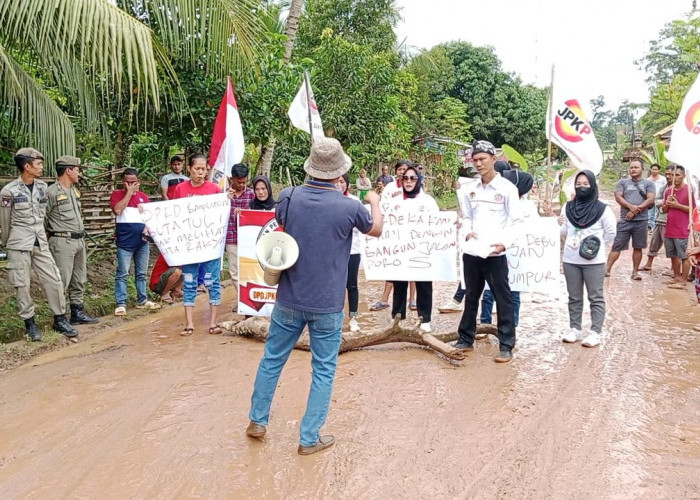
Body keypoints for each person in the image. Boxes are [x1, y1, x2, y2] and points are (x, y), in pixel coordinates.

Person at [246, 137, 383, 455]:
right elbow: (375, 229)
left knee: (272, 359)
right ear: (339, 174)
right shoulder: (350, 207)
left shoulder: (288, 197)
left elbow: (281, 223)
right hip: (328, 304)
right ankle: (309, 438)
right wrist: (374, 201)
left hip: (289, 298)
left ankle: (257, 421)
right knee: (323, 368)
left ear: (310, 167)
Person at [454, 140, 523, 363]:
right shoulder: (469, 190)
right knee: (471, 295)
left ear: (494, 159)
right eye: (475, 160)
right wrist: (467, 232)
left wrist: (505, 243)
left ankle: (506, 345)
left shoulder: (507, 189)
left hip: (495, 253)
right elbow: (466, 217)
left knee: (503, 298)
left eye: (483, 159)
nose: (479, 163)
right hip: (473, 252)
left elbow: (516, 221)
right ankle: (466, 337)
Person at [0, 148, 78, 341]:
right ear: (27, 166)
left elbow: (43, 215)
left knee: (54, 279)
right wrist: (9, 243)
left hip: (40, 242)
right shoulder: (8, 191)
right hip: (18, 243)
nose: (42, 167)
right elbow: (5, 221)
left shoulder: (43, 188)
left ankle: (60, 319)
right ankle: (30, 325)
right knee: (22, 284)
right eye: (38, 164)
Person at [171, 154, 229, 335]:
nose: (201, 173)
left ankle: (213, 323)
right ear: (189, 169)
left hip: (210, 245)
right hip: (189, 246)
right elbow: (171, 213)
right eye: (197, 169)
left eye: (204, 169)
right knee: (189, 282)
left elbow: (221, 212)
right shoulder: (180, 189)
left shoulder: (214, 189)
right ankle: (189, 324)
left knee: (213, 282)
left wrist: (228, 199)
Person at [559, 171, 617, 347]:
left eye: (585, 184)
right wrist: (559, 221)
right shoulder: (568, 207)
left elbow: (611, 232)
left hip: (594, 262)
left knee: (595, 296)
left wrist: (596, 248)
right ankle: (575, 329)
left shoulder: (603, 209)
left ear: (592, 185)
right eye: (579, 184)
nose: (581, 187)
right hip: (570, 259)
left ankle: (595, 332)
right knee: (574, 297)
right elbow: (564, 232)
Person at [478, 169, 535, 328]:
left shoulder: (528, 206)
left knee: (514, 293)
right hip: (494, 251)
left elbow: (535, 229)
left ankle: (511, 326)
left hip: (517, 255)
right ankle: (484, 324)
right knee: (489, 290)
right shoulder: (496, 198)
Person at [45, 155, 99, 325]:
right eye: (77, 170)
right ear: (68, 171)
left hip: (78, 240)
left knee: (78, 279)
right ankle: (59, 318)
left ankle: (77, 312)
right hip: (62, 241)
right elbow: (43, 219)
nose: (79, 173)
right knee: (62, 280)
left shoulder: (74, 191)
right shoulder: (51, 192)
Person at [389, 164, 439, 332]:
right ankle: (398, 318)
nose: (408, 181)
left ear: (419, 180)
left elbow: (437, 224)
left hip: (421, 250)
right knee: (399, 284)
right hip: (401, 250)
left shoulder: (428, 201)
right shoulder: (394, 201)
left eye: (412, 178)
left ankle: (425, 320)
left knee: (424, 284)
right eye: (405, 178)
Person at [110, 168, 161, 316]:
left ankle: (142, 300)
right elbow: (118, 210)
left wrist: (147, 228)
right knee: (122, 273)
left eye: (134, 182)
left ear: (138, 182)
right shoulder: (116, 195)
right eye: (128, 182)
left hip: (142, 242)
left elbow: (149, 218)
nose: (131, 185)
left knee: (141, 273)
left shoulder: (144, 197)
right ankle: (121, 303)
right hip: (124, 243)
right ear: (122, 182)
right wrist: (128, 194)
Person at [370, 159, 415, 311]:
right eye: (400, 169)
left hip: (412, 233)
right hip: (393, 233)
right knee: (392, 265)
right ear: (396, 171)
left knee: (414, 265)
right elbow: (383, 207)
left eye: (405, 169)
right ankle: (384, 299)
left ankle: (412, 299)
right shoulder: (389, 187)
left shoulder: (414, 185)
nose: (402, 172)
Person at [605, 159, 655, 280]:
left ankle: (635, 272)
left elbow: (650, 199)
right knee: (617, 245)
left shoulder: (649, 184)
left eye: (636, 167)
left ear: (642, 169)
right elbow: (618, 197)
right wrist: (631, 208)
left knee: (638, 247)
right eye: (631, 167)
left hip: (641, 221)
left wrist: (635, 211)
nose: (633, 169)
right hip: (625, 220)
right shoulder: (623, 182)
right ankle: (607, 269)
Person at [336, 173, 362, 332]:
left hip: (353, 250)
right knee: (335, 284)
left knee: (351, 284)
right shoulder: (328, 201)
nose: (339, 184)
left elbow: (363, 225)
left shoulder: (355, 202)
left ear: (347, 184)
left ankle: (353, 317)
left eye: (342, 181)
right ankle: (336, 316)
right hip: (333, 250)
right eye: (336, 181)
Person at [662, 166, 693, 289]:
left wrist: (677, 205)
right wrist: (667, 205)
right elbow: (664, 210)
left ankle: (684, 281)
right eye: (672, 175)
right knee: (673, 255)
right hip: (670, 228)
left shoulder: (689, 191)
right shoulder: (669, 190)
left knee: (684, 256)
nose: (674, 178)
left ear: (684, 176)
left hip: (683, 229)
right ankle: (676, 277)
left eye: (678, 175)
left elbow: (694, 210)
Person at [225, 163, 255, 293]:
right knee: (234, 271)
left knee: (248, 269)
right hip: (231, 238)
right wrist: (226, 201)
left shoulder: (251, 194)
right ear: (232, 179)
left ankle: (246, 300)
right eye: (239, 182)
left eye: (244, 182)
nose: (242, 185)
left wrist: (244, 213)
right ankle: (243, 299)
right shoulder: (224, 195)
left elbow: (256, 214)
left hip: (247, 239)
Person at [641, 169, 674, 272]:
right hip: (659, 219)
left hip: (669, 221)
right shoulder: (665, 187)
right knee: (654, 242)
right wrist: (664, 202)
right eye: (667, 174)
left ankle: (674, 269)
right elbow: (657, 200)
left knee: (670, 245)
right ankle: (648, 264)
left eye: (671, 174)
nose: (668, 176)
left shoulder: (679, 189)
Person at [647, 163, 666, 230]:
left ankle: (655, 228)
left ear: (659, 170)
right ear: (650, 170)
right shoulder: (648, 180)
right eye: (653, 169)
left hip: (659, 200)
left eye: (656, 169)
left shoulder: (663, 179)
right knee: (650, 214)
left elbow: (666, 189)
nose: (654, 170)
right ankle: (651, 228)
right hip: (650, 199)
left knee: (657, 214)